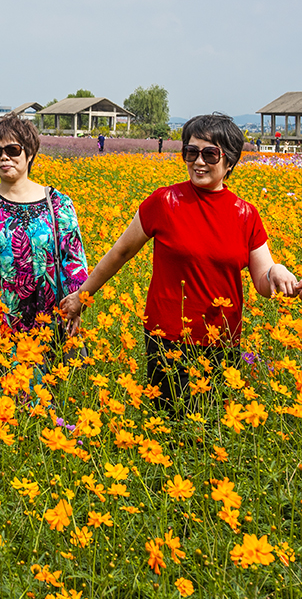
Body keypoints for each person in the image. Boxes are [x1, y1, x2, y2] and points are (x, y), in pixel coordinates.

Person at [61, 113, 300, 409]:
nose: (199, 162)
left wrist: (277, 272)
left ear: (230, 161)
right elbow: (121, 252)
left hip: (221, 342)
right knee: (170, 427)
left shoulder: (245, 215)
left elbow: (264, 282)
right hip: (166, 338)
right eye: (191, 152)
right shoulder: (164, 202)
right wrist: (82, 296)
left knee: (214, 428)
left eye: (210, 154)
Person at [0, 114, 88, 342]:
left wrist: (77, 306)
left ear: (30, 154)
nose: (4, 157)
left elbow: (74, 264)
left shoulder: (59, 204)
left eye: (13, 150)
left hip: (49, 324)